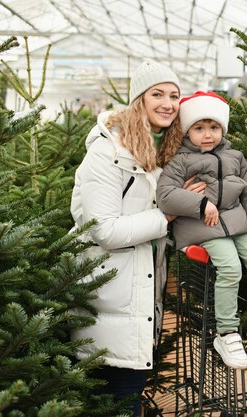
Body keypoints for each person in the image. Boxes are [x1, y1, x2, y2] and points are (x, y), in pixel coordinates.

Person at [69, 60, 199, 416]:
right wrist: (167, 214)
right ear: (138, 100)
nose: (168, 103)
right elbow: (103, 230)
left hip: (139, 290)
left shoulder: (161, 153)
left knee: (125, 395)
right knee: (120, 396)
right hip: (110, 291)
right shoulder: (108, 154)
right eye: (157, 94)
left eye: (174, 95)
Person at [156, 91, 247, 370]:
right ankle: (227, 333)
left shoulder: (236, 156)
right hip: (201, 226)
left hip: (235, 222)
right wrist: (200, 203)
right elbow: (165, 195)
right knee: (231, 268)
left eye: (214, 127)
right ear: (187, 130)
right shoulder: (180, 160)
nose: (208, 134)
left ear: (223, 128)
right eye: (199, 128)